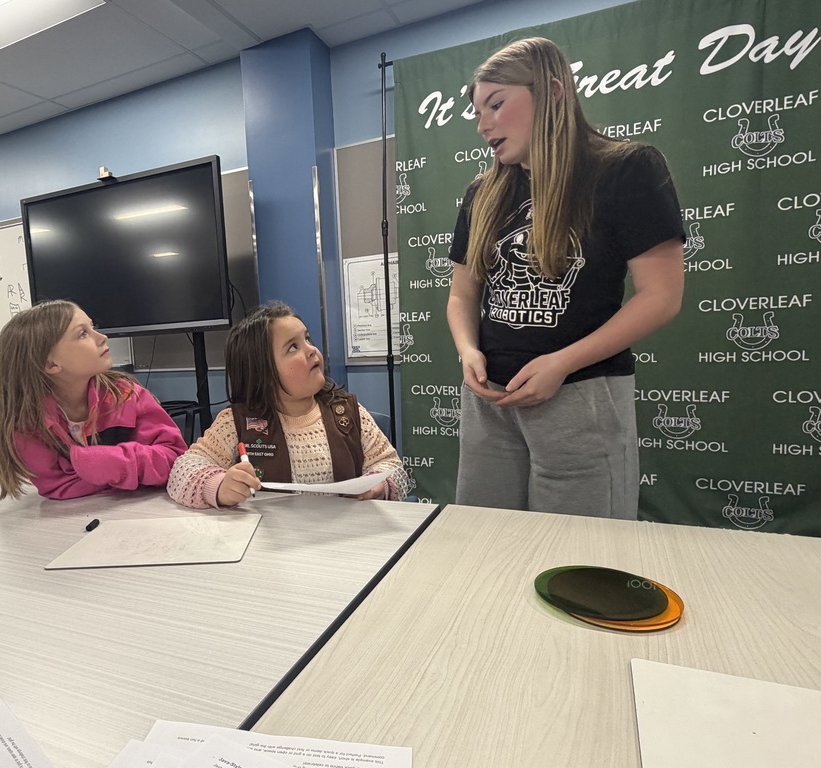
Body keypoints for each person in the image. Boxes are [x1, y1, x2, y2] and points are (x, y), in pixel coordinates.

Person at [446, 37, 685, 519]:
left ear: (553, 91)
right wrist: (468, 351)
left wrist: (561, 363)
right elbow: (461, 294)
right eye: (477, 111)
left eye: (496, 104)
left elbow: (661, 296)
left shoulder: (626, 169)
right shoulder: (482, 192)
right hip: (490, 399)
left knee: (581, 556)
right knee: (485, 540)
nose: (483, 124)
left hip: (581, 396)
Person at [167, 302, 409, 508]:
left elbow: (393, 467)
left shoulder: (346, 411)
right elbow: (182, 471)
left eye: (307, 339)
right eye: (293, 347)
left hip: (342, 542)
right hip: (271, 547)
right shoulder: (238, 421)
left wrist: (379, 485)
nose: (311, 350)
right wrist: (218, 486)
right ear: (262, 371)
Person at [0, 300, 187, 500]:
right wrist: (136, 472)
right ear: (51, 364)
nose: (102, 337)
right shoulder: (28, 422)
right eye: (82, 333)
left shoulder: (127, 395)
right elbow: (56, 487)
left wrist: (105, 462)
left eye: (93, 328)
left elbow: (175, 459)